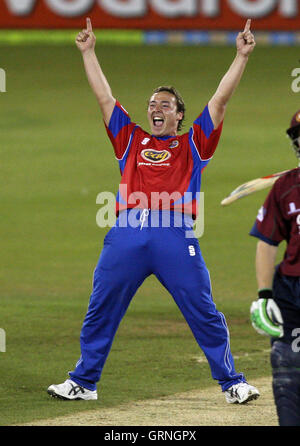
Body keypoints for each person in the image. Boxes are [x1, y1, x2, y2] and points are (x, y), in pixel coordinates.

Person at [47, 18, 259, 404]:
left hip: (174, 235)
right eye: (151, 103)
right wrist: (89, 52)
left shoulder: (194, 143)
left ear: (179, 115)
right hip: (125, 233)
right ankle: (84, 381)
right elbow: (105, 99)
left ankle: (233, 383)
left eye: (166, 104)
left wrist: (240, 56)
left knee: (203, 310)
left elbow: (220, 100)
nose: (156, 108)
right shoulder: (130, 139)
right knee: (101, 308)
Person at [249, 110, 300, 425]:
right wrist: (265, 295)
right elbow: (267, 242)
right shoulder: (285, 187)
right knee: (286, 369)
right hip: (291, 291)